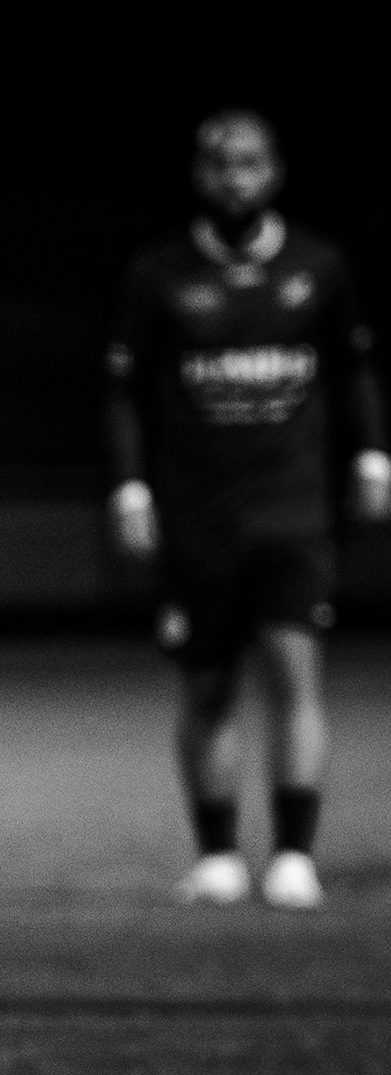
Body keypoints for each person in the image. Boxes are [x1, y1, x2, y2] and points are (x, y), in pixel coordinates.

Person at [107, 110, 389, 908]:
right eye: (221, 165)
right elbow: (123, 388)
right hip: (198, 518)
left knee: (295, 672)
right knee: (206, 687)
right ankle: (219, 856)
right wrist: (130, 486)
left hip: (293, 512)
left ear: (276, 171)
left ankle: (295, 853)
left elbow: (354, 369)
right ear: (200, 175)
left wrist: (373, 453)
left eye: (251, 163)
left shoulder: (318, 266)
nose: (236, 178)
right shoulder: (160, 273)